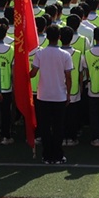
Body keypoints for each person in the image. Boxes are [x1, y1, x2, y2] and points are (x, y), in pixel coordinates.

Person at [32, 25, 76, 165]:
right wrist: (68, 94)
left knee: (45, 127)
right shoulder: (65, 55)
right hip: (59, 95)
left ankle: (46, 155)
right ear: (59, 37)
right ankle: (57, 155)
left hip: (43, 95)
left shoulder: (40, 53)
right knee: (58, 127)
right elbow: (68, 77)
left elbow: (33, 73)